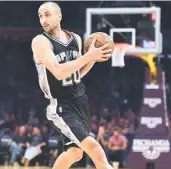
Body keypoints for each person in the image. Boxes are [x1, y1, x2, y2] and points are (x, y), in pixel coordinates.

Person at [31, 2, 114, 169]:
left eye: (47, 14)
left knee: (75, 153)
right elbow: (59, 72)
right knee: (95, 149)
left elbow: (77, 73)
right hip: (61, 106)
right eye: (40, 16)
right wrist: (89, 55)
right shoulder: (40, 41)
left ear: (59, 16)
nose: (43, 20)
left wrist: (92, 57)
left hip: (80, 102)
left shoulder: (75, 39)